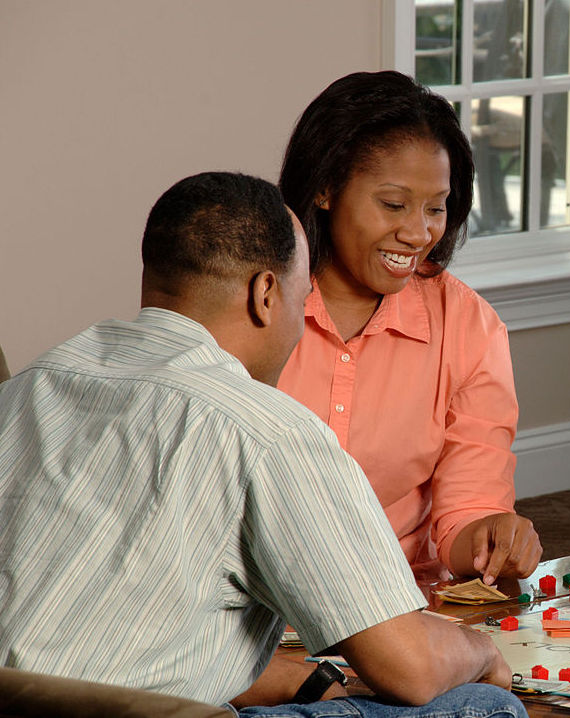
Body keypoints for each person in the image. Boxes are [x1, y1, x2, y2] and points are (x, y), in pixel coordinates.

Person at [0, 172, 523, 718]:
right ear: (266, 293)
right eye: (302, 300)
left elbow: (111, 636)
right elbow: (410, 670)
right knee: (481, 704)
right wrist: (481, 651)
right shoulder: (268, 432)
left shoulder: (27, 390)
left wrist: (299, 681)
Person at [277, 71, 540, 583]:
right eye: (393, 205)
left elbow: (467, 508)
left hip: (396, 599)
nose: (419, 232)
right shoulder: (257, 302)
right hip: (259, 604)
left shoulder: (468, 326)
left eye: (436, 208)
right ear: (326, 188)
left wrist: (491, 539)